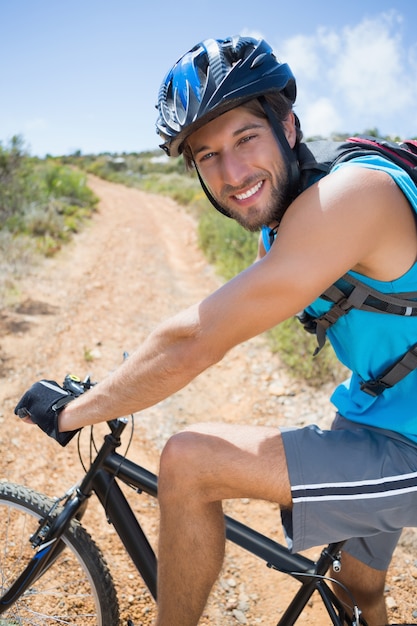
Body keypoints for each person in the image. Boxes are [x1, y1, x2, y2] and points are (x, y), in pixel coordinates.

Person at [15, 36, 417, 626]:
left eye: (245, 138)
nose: (232, 173)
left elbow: (198, 341)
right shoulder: (282, 228)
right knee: (357, 586)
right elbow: (218, 317)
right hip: (375, 412)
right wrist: (112, 384)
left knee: (189, 461)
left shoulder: (352, 198)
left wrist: (75, 411)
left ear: (288, 124)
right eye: (207, 156)